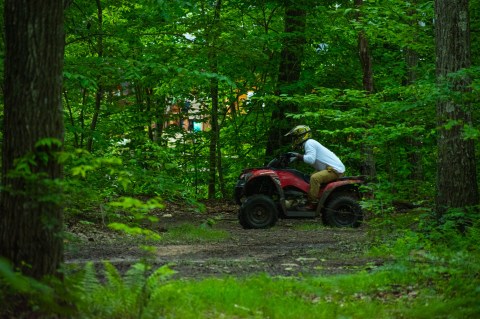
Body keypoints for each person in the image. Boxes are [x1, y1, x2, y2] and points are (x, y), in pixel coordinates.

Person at [285, 125, 345, 210]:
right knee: (306, 179)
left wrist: (297, 155)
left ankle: (312, 203)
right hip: (328, 168)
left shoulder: (309, 143)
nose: (294, 140)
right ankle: (303, 200)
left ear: (301, 136)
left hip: (334, 169)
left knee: (314, 178)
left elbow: (310, 160)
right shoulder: (310, 143)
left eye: (295, 137)